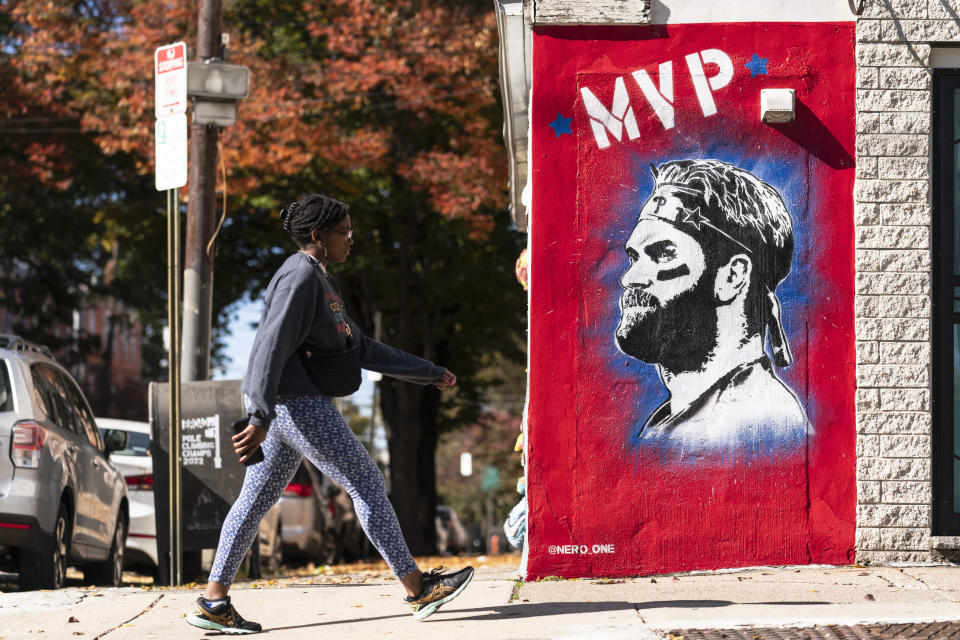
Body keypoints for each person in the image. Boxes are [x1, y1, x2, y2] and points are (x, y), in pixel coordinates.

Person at [186, 194, 474, 634]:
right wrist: (259, 415)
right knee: (367, 482)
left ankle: (213, 602)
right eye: (345, 232)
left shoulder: (324, 281)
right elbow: (269, 345)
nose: (351, 240)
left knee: (255, 500)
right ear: (318, 236)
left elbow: (358, 346)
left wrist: (426, 372)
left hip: (289, 407)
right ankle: (418, 589)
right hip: (296, 405)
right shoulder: (299, 278)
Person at [615, 159, 808, 454]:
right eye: (634, 258)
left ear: (732, 276)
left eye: (663, 254)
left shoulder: (755, 424)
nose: (630, 279)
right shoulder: (674, 422)